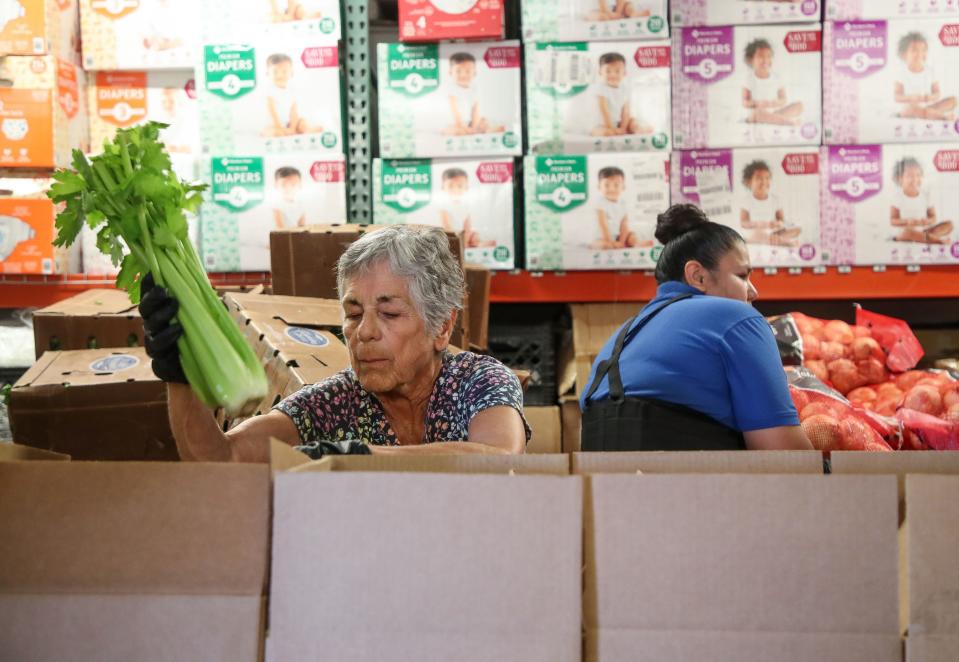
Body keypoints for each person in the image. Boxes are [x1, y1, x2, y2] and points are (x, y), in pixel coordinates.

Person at [141, 225, 529, 462]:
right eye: (354, 313)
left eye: (389, 314)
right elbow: (221, 458)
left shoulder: (478, 380)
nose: (365, 332)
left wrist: (358, 459)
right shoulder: (335, 403)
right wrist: (180, 376)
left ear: (443, 327)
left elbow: (500, 459)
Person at [580, 203, 813, 451]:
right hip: (689, 486)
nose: (753, 291)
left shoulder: (624, 333)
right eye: (742, 276)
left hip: (603, 485)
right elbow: (782, 453)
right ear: (697, 276)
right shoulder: (738, 317)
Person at [895, 32, 956, 121]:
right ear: (903, 54)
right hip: (909, 108)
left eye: (923, 50)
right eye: (914, 50)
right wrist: (911, 97)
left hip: (928, 106)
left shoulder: (930, 71)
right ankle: (943, 117)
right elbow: (897, 96)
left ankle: (929, 113)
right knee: (911, 108)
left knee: (953, 100)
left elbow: (937, 93)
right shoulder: (901, 73)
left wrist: (930, 97)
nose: (920, 53)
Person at [741, 38, 803, 127]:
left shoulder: (777, 78)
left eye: (769, 56)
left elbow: (783, 99)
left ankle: (774, 119)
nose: (765, 60)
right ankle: (789, 122)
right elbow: (745, 101)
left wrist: (774, 103)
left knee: (799, 105)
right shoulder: (749, 79)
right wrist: (757, 103)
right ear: (750, 60)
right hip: (756, 114)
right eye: (761, 56)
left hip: (774, 112)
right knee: (758, 113)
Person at [890, 157, 953, 244]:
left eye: (918, 175)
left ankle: (923, 237)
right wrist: (907, 221)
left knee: (949, 224)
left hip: (924, 230)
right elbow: (893, 220)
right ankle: (938, 240)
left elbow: (933, 217)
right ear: (899, 178)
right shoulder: (897, 196)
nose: (915, 179)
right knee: (908, 232)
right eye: (910, 176)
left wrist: (925, 221)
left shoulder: (925, 195)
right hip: (905, 233)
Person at [589, 52, 652, 137]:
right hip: (602, 123)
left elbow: (625, 111)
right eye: (608, 71)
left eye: (617, 71)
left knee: (633, 122)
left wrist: (623, 127)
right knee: (605, 132)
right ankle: (611, 131)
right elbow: (604, 111)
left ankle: (640, 128)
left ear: (624, 73)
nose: (613, 75)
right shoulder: (601, 88)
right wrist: (611, 128)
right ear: (600, 72)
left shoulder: (624, 89)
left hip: (618, 123)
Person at [739, 160, 800, 247]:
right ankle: (785, 242)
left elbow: (782, 220)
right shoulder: (746, 201)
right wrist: (758, 224)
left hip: (773, 231)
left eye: (767, 178)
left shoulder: (775, 200)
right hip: (756, 231)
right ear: (749, 182)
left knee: (796, 229)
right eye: (759, 178)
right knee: (757, 234)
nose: (764, 181)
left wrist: (778, 224)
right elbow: (743, 222)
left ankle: (776, 239)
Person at [443, 52, 504, 136]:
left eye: (467, 71)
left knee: (484, 121)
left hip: (469, 121)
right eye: (458, 71)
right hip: (455, 121)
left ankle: (477, 130)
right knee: (449, 130)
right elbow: (454, 110)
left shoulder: (475, 88)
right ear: (450, 72)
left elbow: (475, 109)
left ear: (474, 73)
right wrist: (460, 125)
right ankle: (467, 131)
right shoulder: (451, 89)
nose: (463, 75)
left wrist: (474, 125)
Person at [262, 53, 322, 138]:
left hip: (288, 123)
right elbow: (272, 112)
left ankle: (305, 129)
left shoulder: (292, 90)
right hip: (273, 123)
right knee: (273, 132)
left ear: (291, 73)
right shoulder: (269, 91)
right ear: (267, 73)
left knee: (301, 121)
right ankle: (284, 132)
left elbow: (294, 110)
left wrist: (292, 127)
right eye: (275, 72)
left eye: (284, 71)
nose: (280, 75)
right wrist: (279, 127)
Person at [589, 166, 645, 250]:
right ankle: (610, 244)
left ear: (623, 187)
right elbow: (603, 224)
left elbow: (624, 224)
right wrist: (609, 241)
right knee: (603, 245)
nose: (611, 189)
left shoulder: (623, 204)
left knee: (632, 236)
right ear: (599, 187)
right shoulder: (600, 203)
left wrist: (621, 242)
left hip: (617, 236)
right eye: (607, 185)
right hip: (602, 237)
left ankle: (636, 243)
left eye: (616, 185)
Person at [436, 167, 494, 248]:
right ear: (443, 187)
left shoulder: (466, 206)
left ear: (466, 188)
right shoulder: (444, 207)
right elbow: (447, 226)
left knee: (475, 235)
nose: (455, 189)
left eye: (460, 186)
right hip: (450, 235)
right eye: (450, 186)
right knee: (445, 239)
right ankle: (466, 245)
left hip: (464, 234)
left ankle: (476, 244)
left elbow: (467, 227)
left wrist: (466, 240)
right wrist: (460, 241)